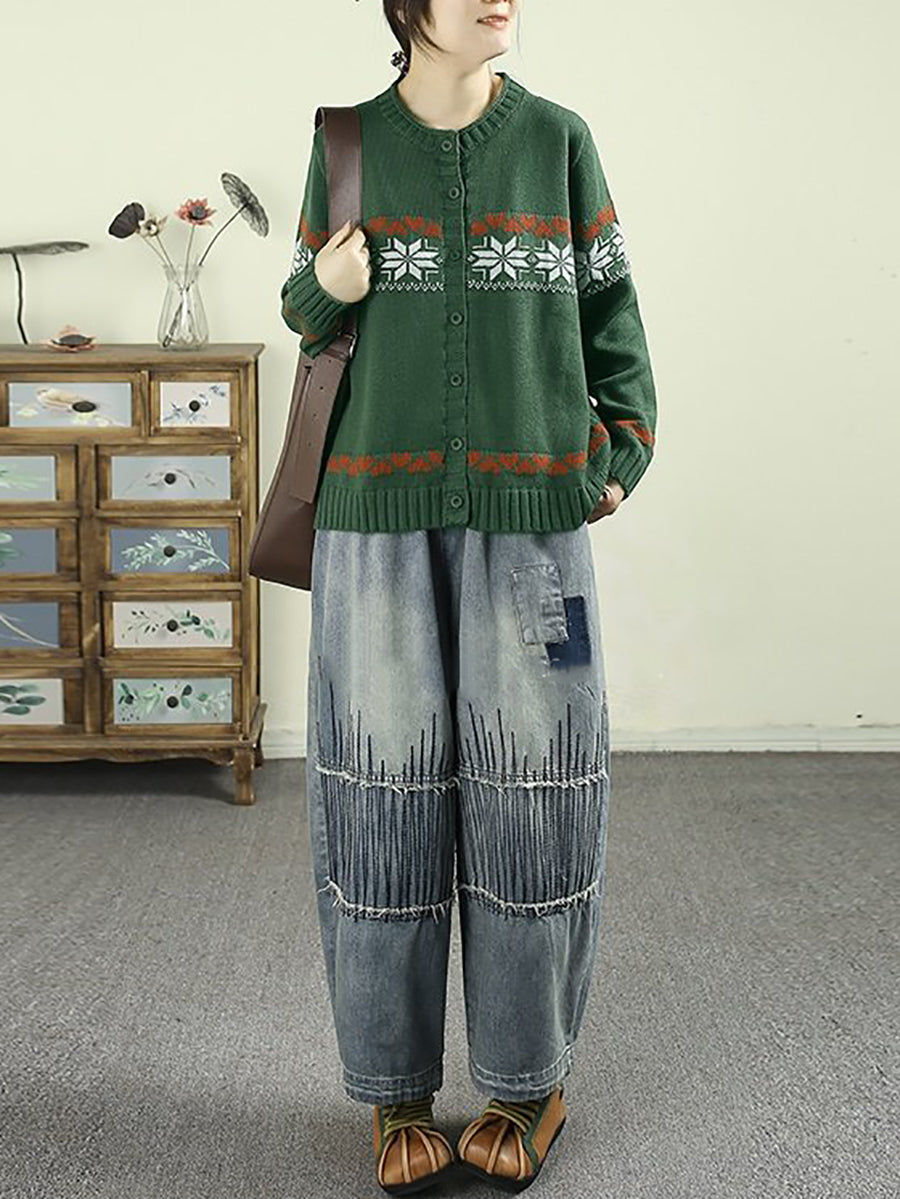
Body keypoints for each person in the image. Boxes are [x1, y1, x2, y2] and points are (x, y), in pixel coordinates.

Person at [280, 1, 658, 1192]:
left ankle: (529, 1082)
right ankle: (393, 1089)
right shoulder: (347, 144)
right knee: (380, 804)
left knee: (538, 799)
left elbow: (612, 312)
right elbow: (302, 311)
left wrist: (616, 452)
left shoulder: (558, 140)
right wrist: (326, 282)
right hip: (372, 531)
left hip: (536, 531)